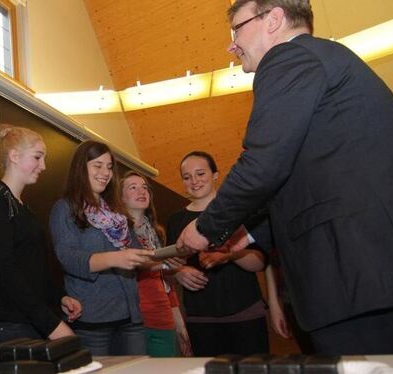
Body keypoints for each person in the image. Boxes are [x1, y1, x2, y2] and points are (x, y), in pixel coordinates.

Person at [177, 0, 393, 354]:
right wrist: (250, 234)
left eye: (236, 29)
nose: (231, 44)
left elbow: (262, 163)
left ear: (273, 19)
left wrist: (205, 228)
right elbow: (313, 178)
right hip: (375, 276)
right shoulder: (327, 59)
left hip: (353, 276)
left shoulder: (289, 59)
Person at [0, 124, 82, 343]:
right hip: (5, 325)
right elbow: (5, 269)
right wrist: (50, 324)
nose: (43, 166)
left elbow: (32, 269)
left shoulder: (21, 206)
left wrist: (58, 296)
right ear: (14, 156)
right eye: (37, 157)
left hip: (24, 323)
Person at [49, 140, 153, 356]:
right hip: (92, 323)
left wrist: (165, 256)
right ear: (80, 168)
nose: (105, 172)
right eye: (98, 165)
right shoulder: (65, 208)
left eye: (109, 166)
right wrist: (115, 258)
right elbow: (69, 259)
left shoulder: (117, 212)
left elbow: (137, 255)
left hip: (130, 319)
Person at [167, 152, 268, 356]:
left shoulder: (239, 212)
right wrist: (179, 272)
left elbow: (259, 262)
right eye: (187, 177)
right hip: (201, 320)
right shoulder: (176, 220)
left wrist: (229, 255)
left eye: (200, 173)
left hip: (245, 312)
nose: (194, 181)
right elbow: (168, 267)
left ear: (215, 175)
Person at [120, 171, 190, 357]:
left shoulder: (157, 233)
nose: (141, 191)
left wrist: (179, 322)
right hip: (131, 321)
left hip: (162, 316)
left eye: (144, 187)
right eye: (132, 187)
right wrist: (164, 264)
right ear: (121, 198)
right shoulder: (115, 234)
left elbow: (166, 283)